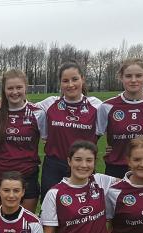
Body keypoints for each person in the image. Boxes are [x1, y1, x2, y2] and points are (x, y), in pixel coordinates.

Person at [36, 61, 102, 195]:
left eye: (75, 79)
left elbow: (122, 111)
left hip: (83, 165)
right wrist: (0, 101)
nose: (70, 84)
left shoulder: (97, 106)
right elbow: (22, 107)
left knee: (81, 208)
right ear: (60, 83)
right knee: (51, 208)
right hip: (54, 167)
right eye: (65, 81)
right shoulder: (49, 103)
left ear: (82, 79)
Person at [0, 69, 45, 212]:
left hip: (27, 176)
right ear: (4, 90)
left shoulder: (37, 113)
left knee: (25, 226)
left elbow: (48, 139)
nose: (15, 92)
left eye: (19, 87)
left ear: (26, 88)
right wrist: (0, 148)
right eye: (10, 88)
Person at [97, 59, 143, 178]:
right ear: (121, 78)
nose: (133, 80)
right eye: (128, 76)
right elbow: (93, 137)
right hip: (116, 168)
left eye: (138, 76)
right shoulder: (107, 106)